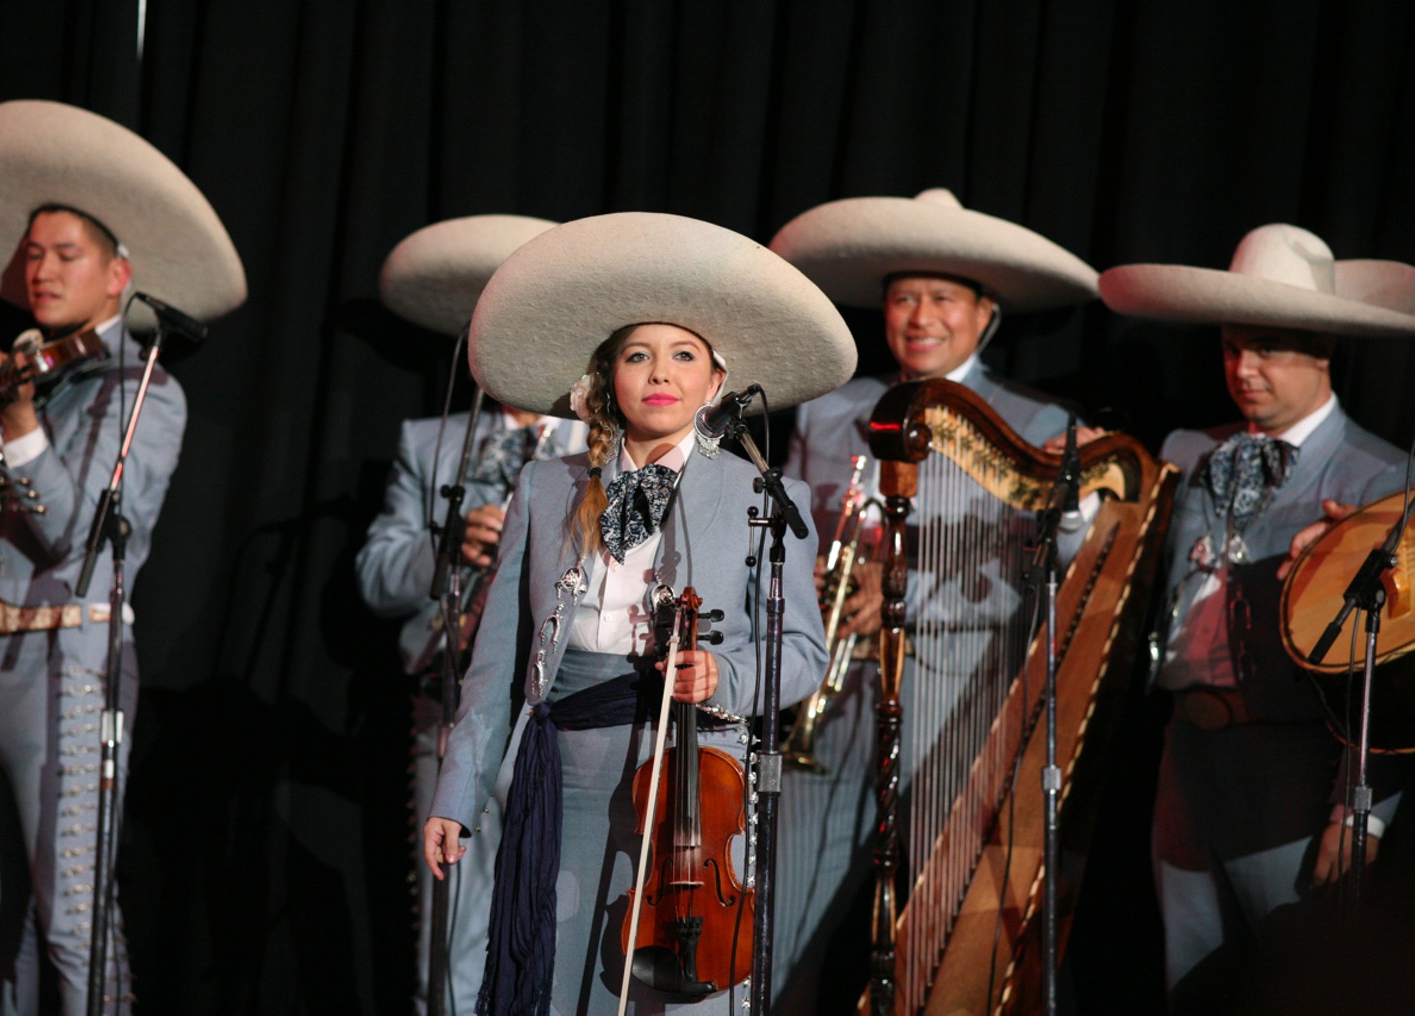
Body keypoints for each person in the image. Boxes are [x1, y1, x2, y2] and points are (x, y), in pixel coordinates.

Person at [420, 211, 854, 1014]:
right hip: (571, 771)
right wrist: (458, 789)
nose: (662, 372)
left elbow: (801, 653)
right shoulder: (546, 489)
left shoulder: (767, 496)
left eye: (684, 355)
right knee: (566, 980)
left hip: (700, 779)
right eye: (639, 354)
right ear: (606, 376)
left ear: (716, 383)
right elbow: (497, 660)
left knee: (683, 995)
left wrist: (722, 671)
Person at [0, 100, 244, 1016]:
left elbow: (75, 536)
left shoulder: (144, 393)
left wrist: (16, 422)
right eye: (33, 253)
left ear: (118, 273)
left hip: (67, 665)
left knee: (70, 919)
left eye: (67, 255)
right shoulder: (20, 371)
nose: (41, 270)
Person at [764, 188, 1103, 1008]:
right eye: (903, 297)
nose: (919, 316)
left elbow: (1037, 580)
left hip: (953, 710)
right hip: (834, 706)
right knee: (777, 934)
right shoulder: (833, 405)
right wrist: (812, 581)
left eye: (941, 298)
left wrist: (909, 594)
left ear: (985, 313)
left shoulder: (1037, 420)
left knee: (931, 938)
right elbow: (800, 533)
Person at [1101, 223, 1415, 1012]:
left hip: (1296, 767)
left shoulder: (1383, 474)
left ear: (1323, 351)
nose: (1244, 370)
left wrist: (1364, 811)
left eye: (1268, 349)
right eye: (1233, 347)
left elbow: (1402, 672)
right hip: (1184, 754)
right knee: (1188, 977)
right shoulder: (1186, 450)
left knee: (1291, 980)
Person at [353, 214, 585, 1015]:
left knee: (552, 917)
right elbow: (377, 578)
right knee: (448, 932)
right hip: (449, 703)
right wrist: (447, 548)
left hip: (562, 710)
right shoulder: (431, 442)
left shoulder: (598, 443)